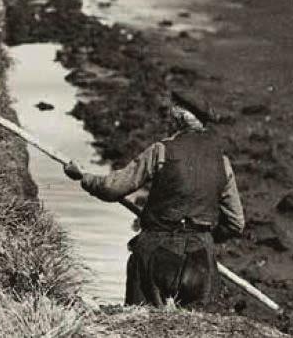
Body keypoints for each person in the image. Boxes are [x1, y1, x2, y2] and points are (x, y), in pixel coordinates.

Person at [63, 90, 245, 308]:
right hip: (200, 258)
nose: (169, 114)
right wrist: (202, 236)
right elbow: (236, 223)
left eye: (172, 110)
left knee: (141, 323)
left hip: (156, 251)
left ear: (179, 116)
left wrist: (84, 176)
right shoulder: (222, 161)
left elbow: (112, 189)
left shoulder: (160, 151)